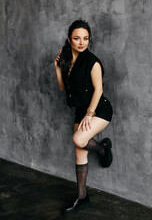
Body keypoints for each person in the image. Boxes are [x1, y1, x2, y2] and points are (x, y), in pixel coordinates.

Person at [54, 19, 113, 216]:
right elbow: (63, 88)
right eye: (77, 38)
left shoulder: (92, 62)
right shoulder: (66, 60)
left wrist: (89, 114)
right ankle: (82, 197)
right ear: (69, 39)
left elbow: (99, 90)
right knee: (80, 151)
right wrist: (57, 69)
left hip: (99, 110)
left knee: (79, 139)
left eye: (85, 38)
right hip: (80, 111)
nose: (81, 42)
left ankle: (103, 150)